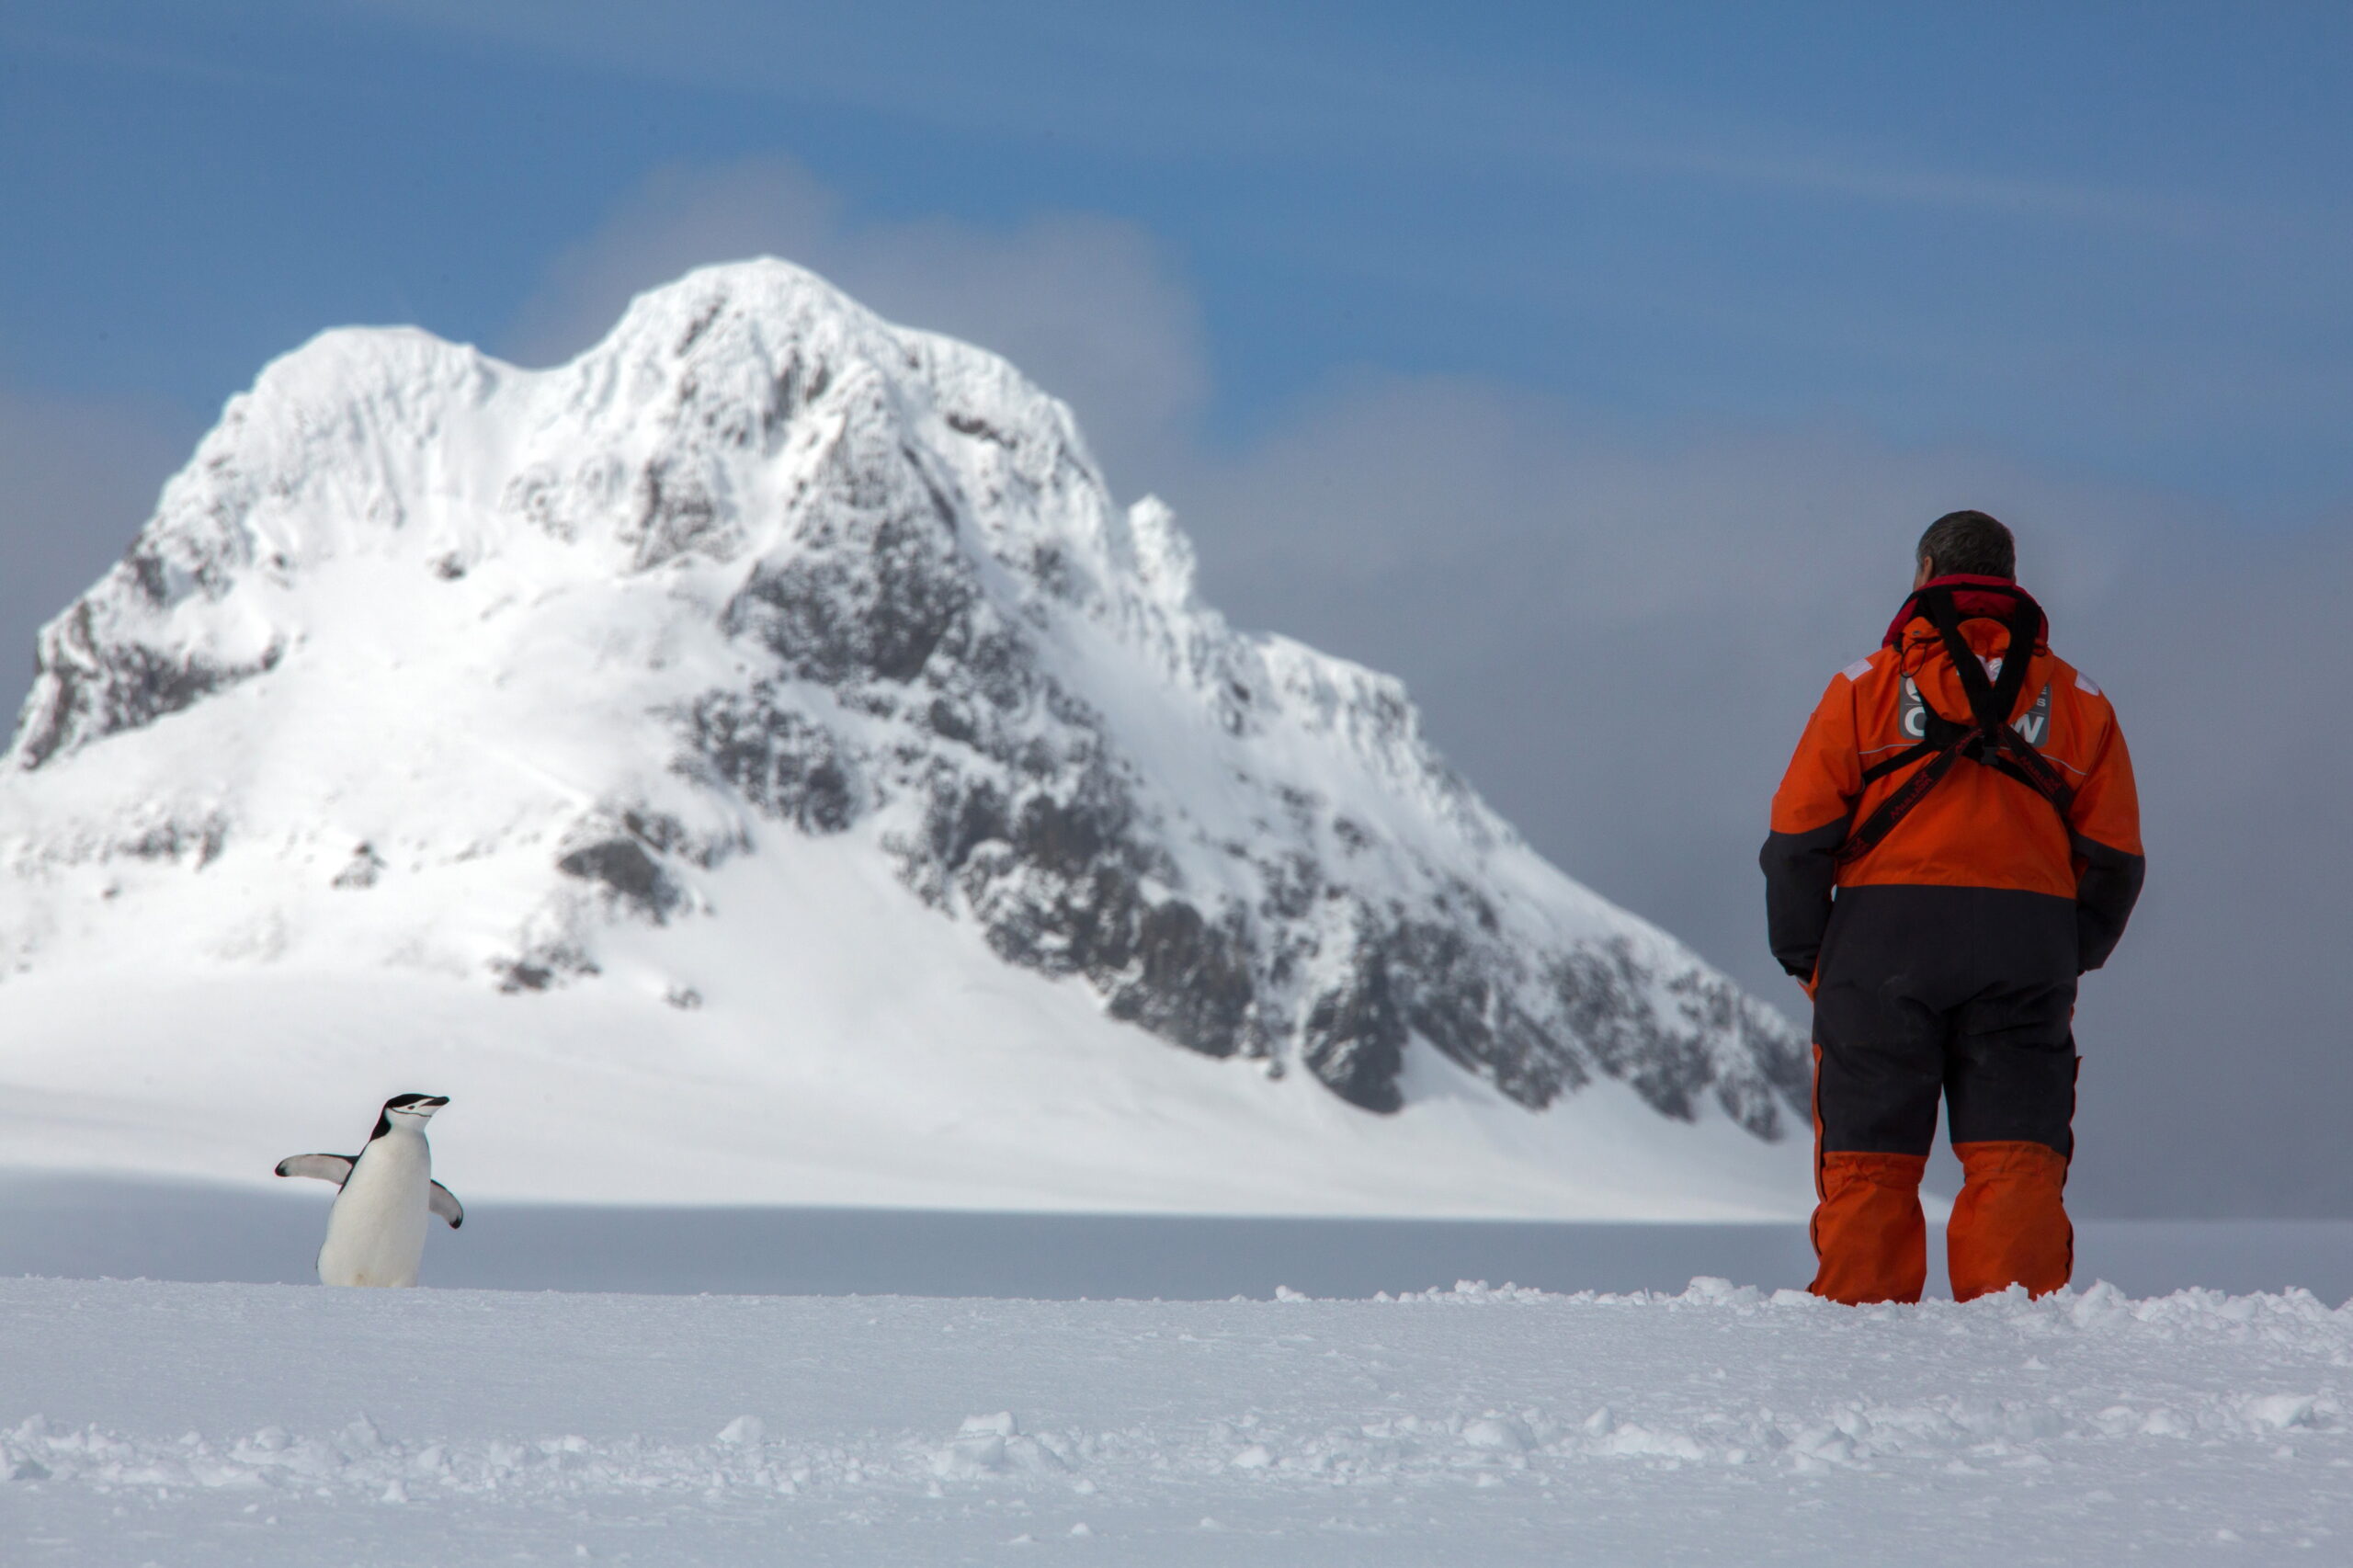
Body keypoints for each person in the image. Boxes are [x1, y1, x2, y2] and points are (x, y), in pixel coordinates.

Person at [1760, 511, 2143, 1304]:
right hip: (2026, 944)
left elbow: (1799, 837)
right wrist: (2062, 954)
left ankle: (1860, 1343)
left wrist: (1809, 958)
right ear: (2008, 578)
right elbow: (2114, 859)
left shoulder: (1864, 687)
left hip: (1880, 945)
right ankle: (2014, 1345)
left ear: (1926, 569)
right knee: (2016, 1158)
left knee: (1870, 1158)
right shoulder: (2079, 700)